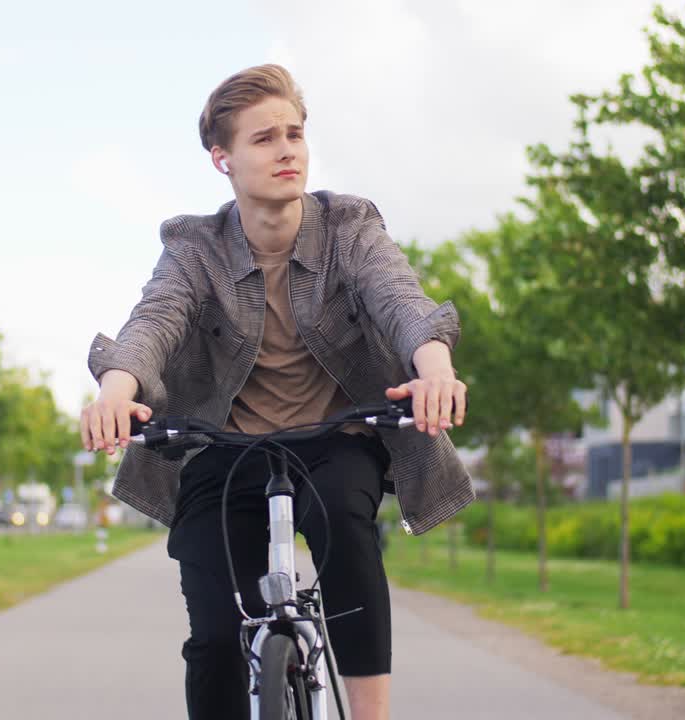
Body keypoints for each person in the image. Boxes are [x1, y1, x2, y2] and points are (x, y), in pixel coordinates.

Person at [79, 64, 472, 720]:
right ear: (222, 159)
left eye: (294, 133)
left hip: (332, 440)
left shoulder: (349, 226)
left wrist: (435, 368)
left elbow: (401, 300)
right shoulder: (195, 247)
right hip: (222, 447)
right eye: (264, 138)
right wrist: (116, 393)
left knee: (347, 533)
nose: (287, 149)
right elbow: (154, 321)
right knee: (215, 635)